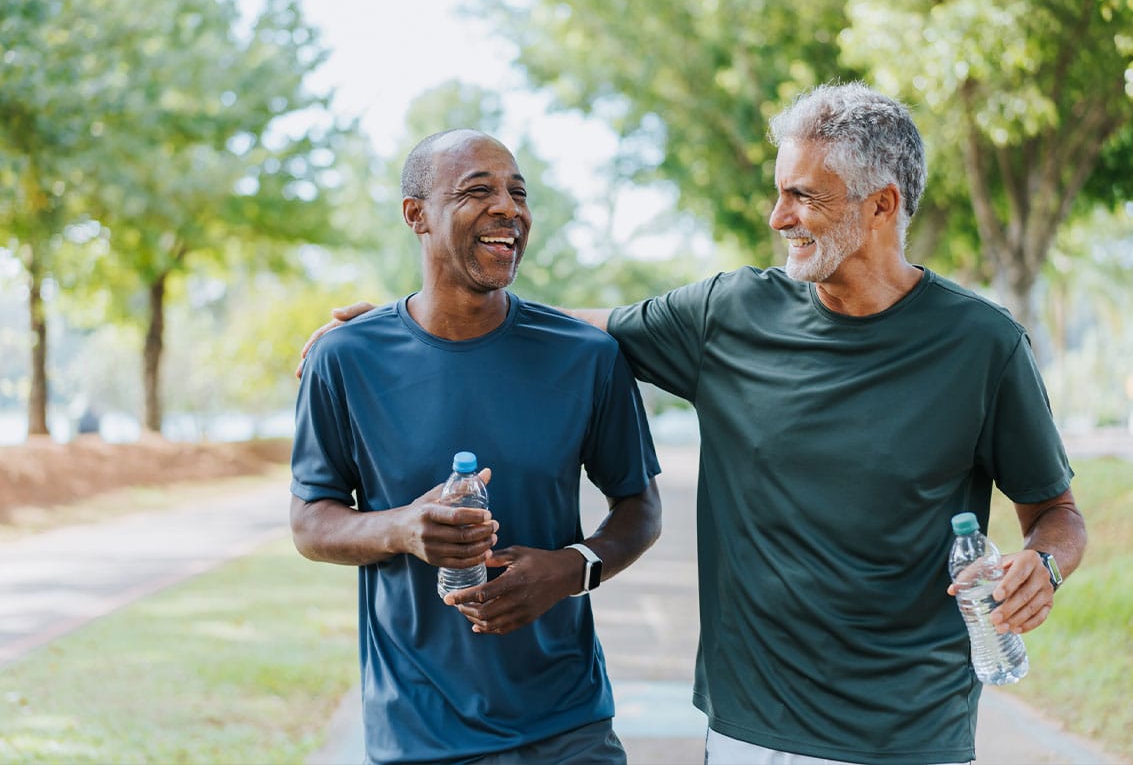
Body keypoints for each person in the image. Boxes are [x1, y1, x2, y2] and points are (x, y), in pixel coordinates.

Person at [301, 84, 1087, 764]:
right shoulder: (731, 314)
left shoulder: (983, 345)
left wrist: (1041, 567)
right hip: (750, 726)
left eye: (803, 196)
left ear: (881, 204)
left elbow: (1056, 514)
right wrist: (408, 322)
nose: (778, 216)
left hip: (911, 730)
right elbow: (578, 328)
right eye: (780, 191)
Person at [290, 129, 661, 764]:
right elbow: (310, 522)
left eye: (518, 193)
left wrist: (571, 568)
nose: (508, 209)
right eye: (477, 191)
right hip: (419, 733)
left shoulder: (586, 357)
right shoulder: (345, 358)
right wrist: (405, 528)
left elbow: (640, 508)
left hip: (568, 728)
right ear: (417, 215)